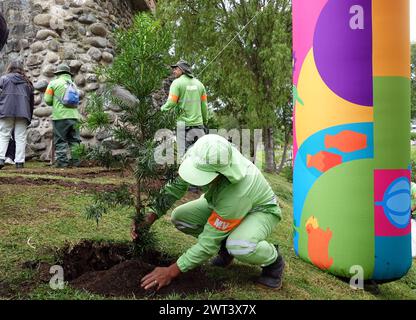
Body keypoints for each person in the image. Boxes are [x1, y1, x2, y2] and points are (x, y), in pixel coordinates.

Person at [134, 134, 285, 290]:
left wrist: (171, 271)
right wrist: (149, 217)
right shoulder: (202, 154)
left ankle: (273, 261)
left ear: (221, 174)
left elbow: (208, 244)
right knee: (180, 218)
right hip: (221, 202)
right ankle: (226, 249)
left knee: (240, 245)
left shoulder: (237, 191)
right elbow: (176, 187)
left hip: (259, 211)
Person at [161, 60, 208, 150]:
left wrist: (161, 110)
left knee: (184, 157)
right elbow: (204, 106)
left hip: (183, 127)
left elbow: (171, 103)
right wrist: (205, 121)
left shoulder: (176, 83)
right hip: (199, 127)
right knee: (200, 156)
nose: (173, 71)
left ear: (182, 70)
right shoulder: (200, 85)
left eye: (176, 69)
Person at [44, 64, 81, 168]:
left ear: (58, 74)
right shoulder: (73, 84)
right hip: (74, 116)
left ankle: (62, 163)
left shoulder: (53, 83)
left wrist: (55, 102)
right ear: (68, 74)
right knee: (74, 140)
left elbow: (47, 100)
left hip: (60, 116)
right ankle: (76, 162)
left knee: (60, 140)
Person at [0, 60, 34, 169]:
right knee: (20, 137)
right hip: (23, 112)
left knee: (4, 134)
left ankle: (0, 159)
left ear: (9, 67)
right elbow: (31, 102)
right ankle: (19, 162)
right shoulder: (28, 82)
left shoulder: (3, 79)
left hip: (6, 110)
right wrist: (29, 116)